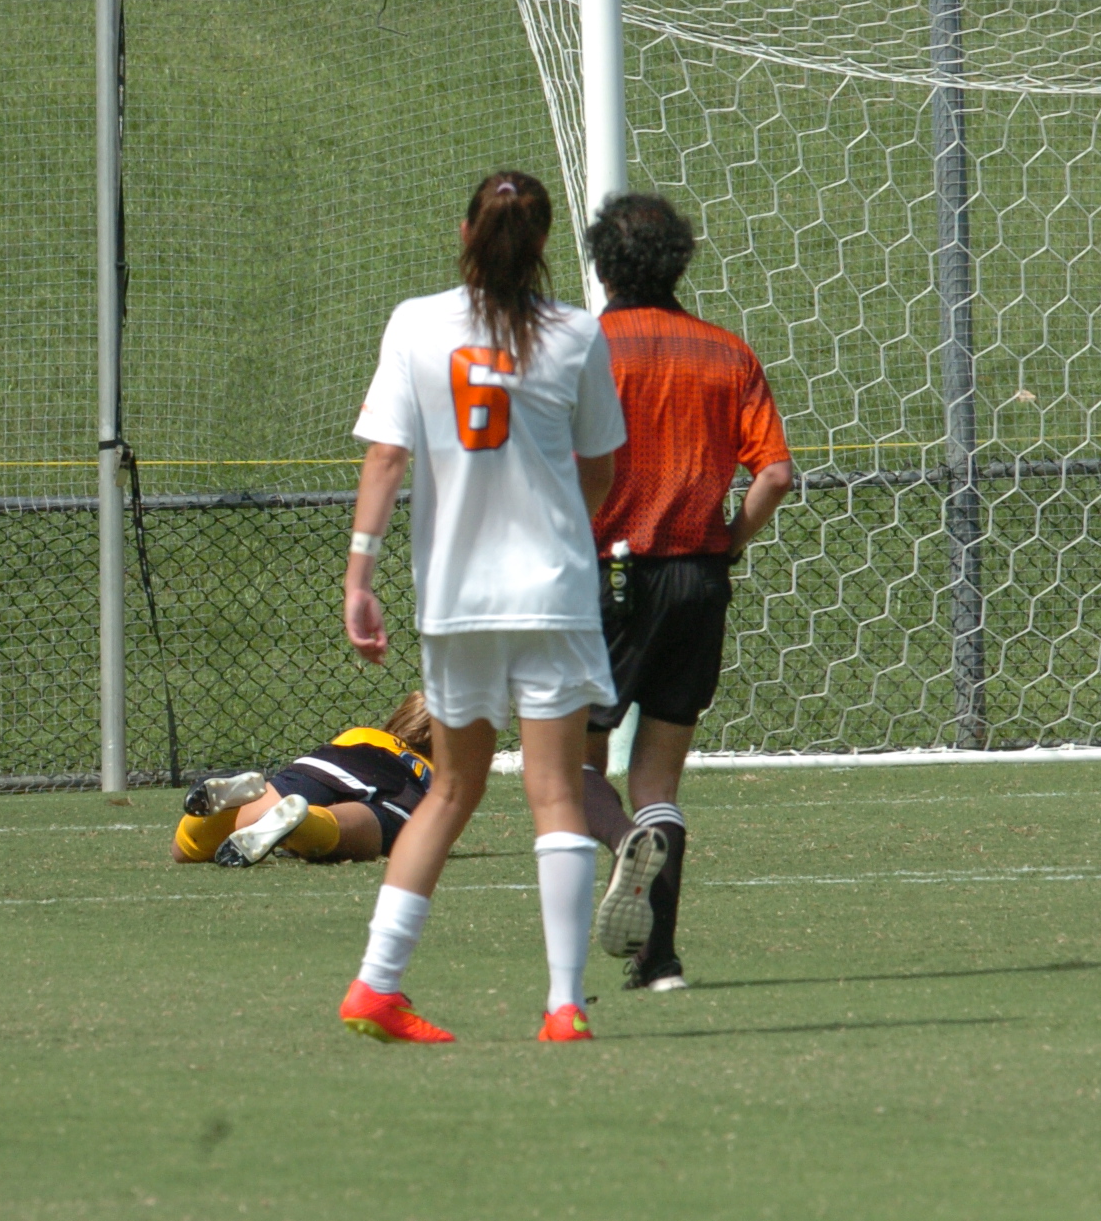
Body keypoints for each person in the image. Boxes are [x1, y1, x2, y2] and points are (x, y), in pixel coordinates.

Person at [337, 170, 628, 1046]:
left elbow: (386, 457)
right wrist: (560, 519)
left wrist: (359, 576)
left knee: (451, 790)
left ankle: (376, 986)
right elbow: (601, 468)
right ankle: (564, 1004)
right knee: (556, 792)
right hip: (551, 595)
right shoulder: (577, 334)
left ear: (465, 232)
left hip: (455, 598)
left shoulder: (414, 323)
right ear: (543, 244)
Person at [578, 193, 796, 992]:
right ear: (679, 262)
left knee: (568, 768)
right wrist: (728, 542)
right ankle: (658, 960)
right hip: (698, 581)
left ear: (601, 265)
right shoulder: (727, 353)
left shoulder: (585, 349)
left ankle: (618, 853)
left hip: (606, 576)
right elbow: (775, 475)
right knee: (658, 783)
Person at [170, 692, 434, 867]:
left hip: (332, 761)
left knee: (184, 851)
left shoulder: (363, 733)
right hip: (402, 786)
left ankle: (234, 801)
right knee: (379, 824)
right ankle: (305, 821)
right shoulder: (438, 772)